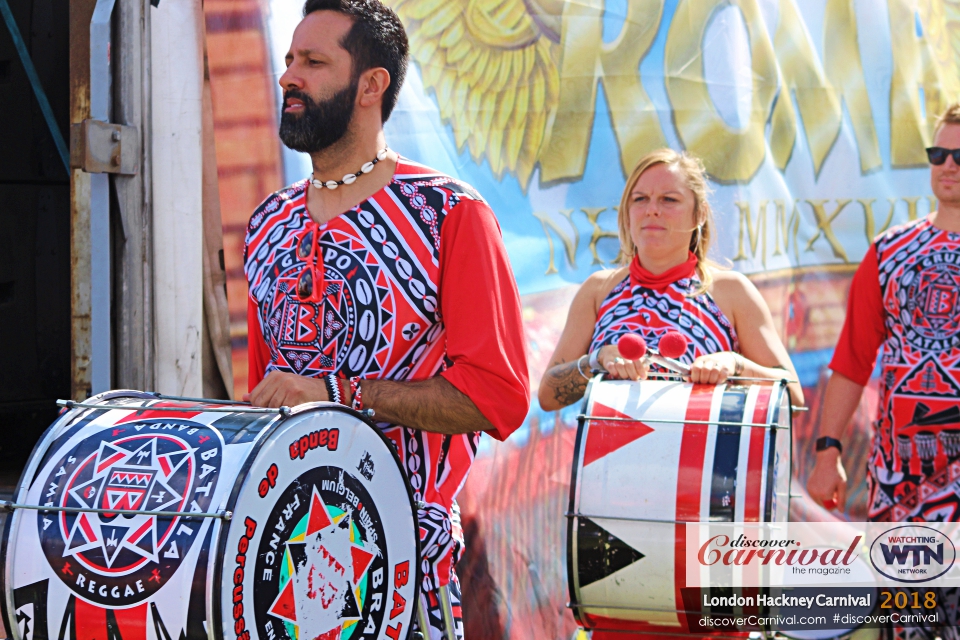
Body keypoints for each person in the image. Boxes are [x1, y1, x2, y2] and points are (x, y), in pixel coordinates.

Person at [242, 1, 530, 637]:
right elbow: (267, 397)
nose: (290, 75)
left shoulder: (450, 214)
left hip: (402, 573)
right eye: (289, 60)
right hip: (276, 571)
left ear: (371, 84)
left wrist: (340, 395)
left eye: (315, 62)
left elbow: (499, 398)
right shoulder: (268, 223)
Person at [806, 103, 960, 639]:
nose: (947, 164)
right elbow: (851, 360)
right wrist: (828, 451)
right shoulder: (890, 252)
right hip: (901, 487)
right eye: (938, 153)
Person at [538, 148, 803, 411]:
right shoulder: (598, 289)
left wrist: (734, 365)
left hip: (702, 452)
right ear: (627, 213)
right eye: (640, 199)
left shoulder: (731, 291)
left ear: (699, 214)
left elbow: (793, 396)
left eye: (669, 200)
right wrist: (597, 360)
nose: (652, 210)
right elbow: (547, 397)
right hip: (604, 453)